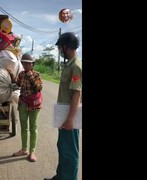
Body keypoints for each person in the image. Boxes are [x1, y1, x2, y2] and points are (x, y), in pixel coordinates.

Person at [44, 32, 82, 180]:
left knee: (70, 152)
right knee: (63, 147)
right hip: (64, 113)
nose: (60, 50)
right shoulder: (69, 64)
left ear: (67, 46)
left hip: (69, 116)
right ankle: (61, 176)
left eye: (60, 47)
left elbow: (76, 94)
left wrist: (70, 119)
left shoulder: (76, 66)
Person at [12, 53, 43, 162]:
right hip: (23, 103)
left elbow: (39, 88)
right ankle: (24, 149)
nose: (25, 65)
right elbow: (18, 84)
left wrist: (30, 76)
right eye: (24, 63)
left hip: (34, 105)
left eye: (28, 63)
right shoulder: (21, 74)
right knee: (24, 127)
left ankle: (32, 152)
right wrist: (12, 78)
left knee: (33, 128)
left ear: (32, 64)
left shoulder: (36, 75)